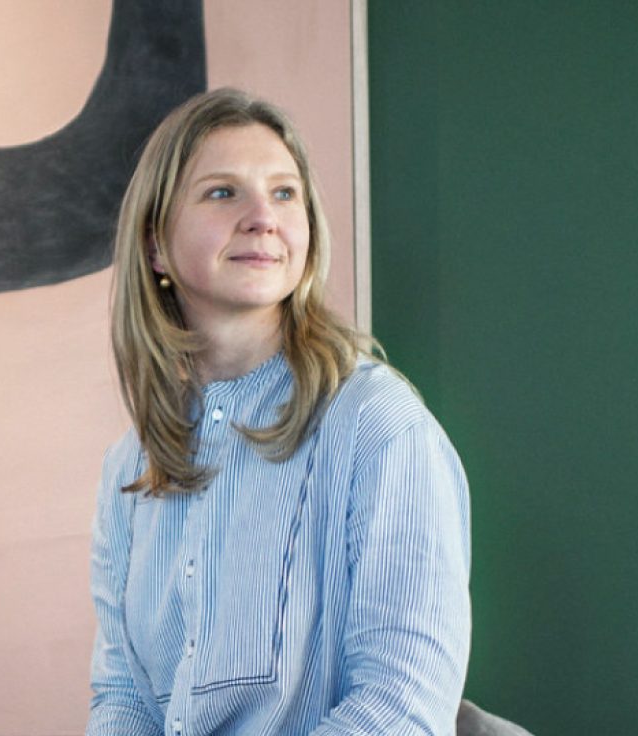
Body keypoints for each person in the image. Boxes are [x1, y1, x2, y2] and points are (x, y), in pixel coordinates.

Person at [87, 87, 471, 735]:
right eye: (222, 192)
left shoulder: (380, 426)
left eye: (284, 193)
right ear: (155, 246)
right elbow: (121, 695)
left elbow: (402, 704)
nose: (263, 216)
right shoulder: (131, 466)